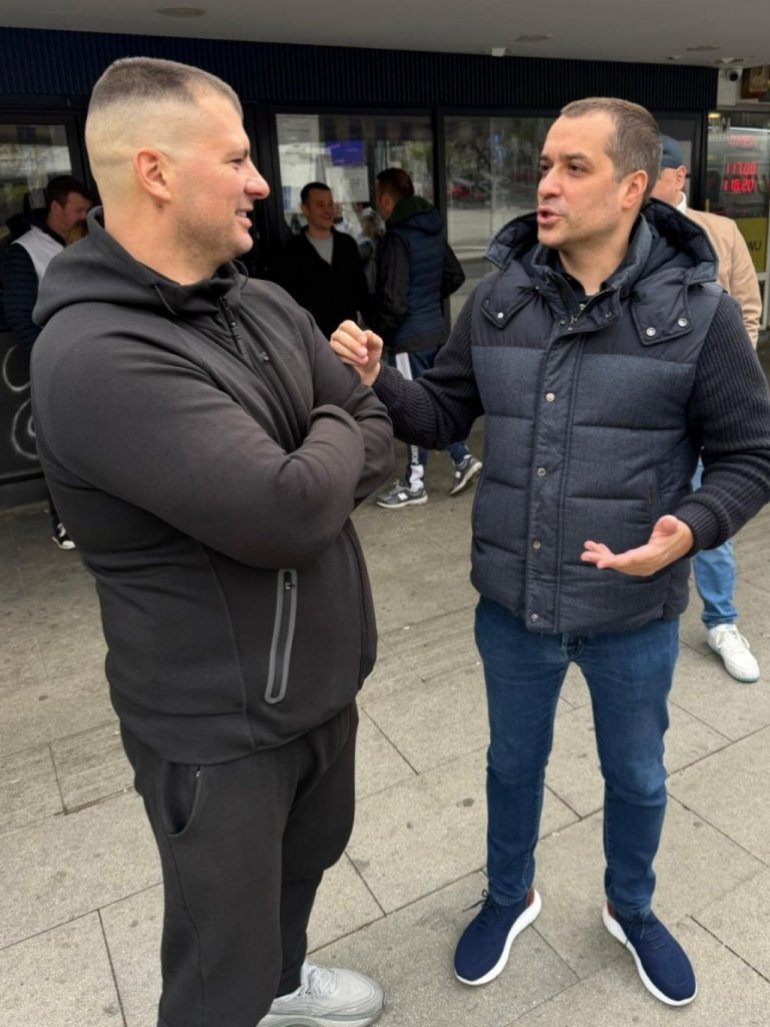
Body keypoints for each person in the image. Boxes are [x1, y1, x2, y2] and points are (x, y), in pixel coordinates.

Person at [332, 98, 770, 1008]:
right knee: (510, 766)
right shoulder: (498, 301)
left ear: (634, 187)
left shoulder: (701, 315)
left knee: (638, 776)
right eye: (543, 165)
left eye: (575, 167)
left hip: (634, 612)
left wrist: (690, 529)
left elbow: (750, 455)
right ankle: (509, 894)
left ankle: (631, 907)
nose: (546, 185)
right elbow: (443, 414)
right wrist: (377, 383)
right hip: (515, 601)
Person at [30, 57, 392, 1027]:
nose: (262, 182)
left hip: (321, 689)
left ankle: (285, 987)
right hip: (217, 731)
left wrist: (327, 431)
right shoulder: (94, 353)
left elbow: (377, 436)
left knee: (304, 867)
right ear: (154, 171)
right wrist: (336, 415)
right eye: (235, 159)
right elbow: (288, 511)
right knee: (215, 965)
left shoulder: (260, 302)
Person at [651, 135, 762, 683]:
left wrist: (723, 384)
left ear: (679, 176)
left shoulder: (721, 231)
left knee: (709, 512)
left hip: (703, 405)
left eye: (654, 172)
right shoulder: (621, 227)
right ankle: (630, 615)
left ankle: (721, 622)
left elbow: (747, 311)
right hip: (643, 402)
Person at [372, 167, 482, 507]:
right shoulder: (430, 229)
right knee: (434, 403)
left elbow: (393, 300)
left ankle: (414, 484)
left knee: (409, 407)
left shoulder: (397, 237)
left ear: (386, 199)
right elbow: (454, 274)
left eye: (377, 197)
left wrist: (381, 334)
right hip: (434, 330)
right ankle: (462, 458)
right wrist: (428, 301)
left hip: (408, 337)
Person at [2, 174, 92, 549]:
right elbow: (20, 316)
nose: (84, 216)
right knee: (60, 446)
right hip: (55, 365)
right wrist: (55, 357)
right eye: (78, 210)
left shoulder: (85, 241)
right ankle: (64, 522)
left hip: (91, 360)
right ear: (55, 207)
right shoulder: (24, 251)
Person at [274, 181, 370, 339]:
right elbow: (288, 299)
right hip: (312, 338)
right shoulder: (292, 250)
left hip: (349, 337)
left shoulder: (347, 244)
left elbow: (361, 291)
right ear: (305, 209)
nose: (327, 210)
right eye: (320, 205)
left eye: (330, 204)